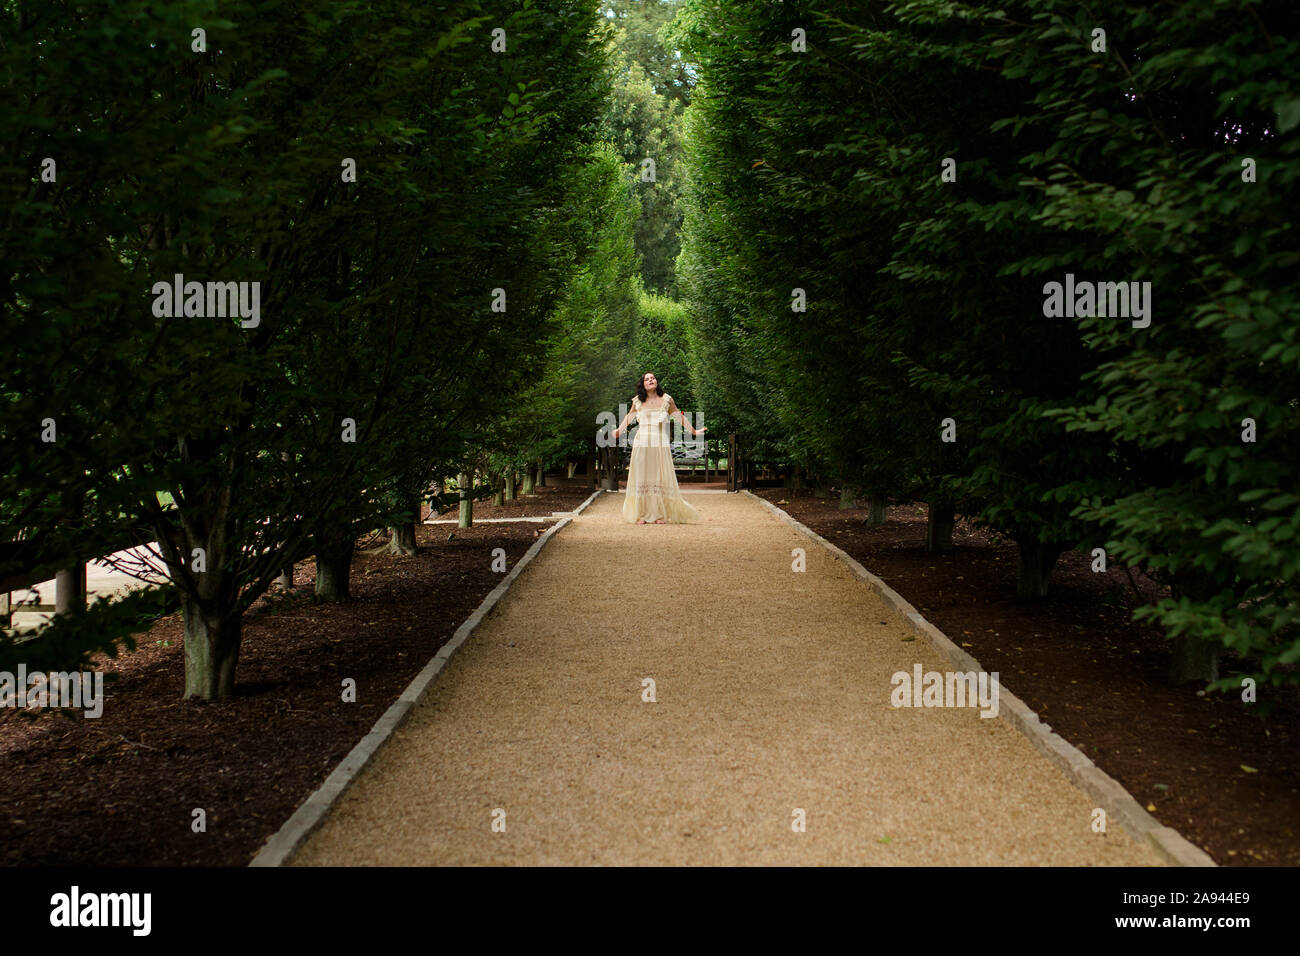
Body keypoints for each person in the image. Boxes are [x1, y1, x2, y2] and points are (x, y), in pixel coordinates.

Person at [612, 372, 707, 524]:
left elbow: (679, 416)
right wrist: (618, 431)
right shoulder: (637, 401)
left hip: (659, 444)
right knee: (641, 476)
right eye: (647, 379)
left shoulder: (667, 400)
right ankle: (640, 514)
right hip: (642, 443)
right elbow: (629, 417)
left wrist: (694, 431)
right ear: (643, 384)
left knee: (658, 477)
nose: (651, 380)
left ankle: (658, 514)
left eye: (653, 378)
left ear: (656, 382)